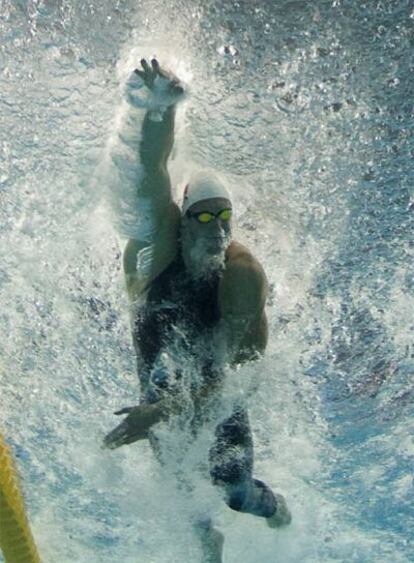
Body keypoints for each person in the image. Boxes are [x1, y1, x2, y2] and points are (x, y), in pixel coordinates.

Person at [104, 58, 291, 562]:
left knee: (234, 492)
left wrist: (161, 413)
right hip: (160, 384)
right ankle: (208, 546)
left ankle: (274, 507)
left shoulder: (242, 278)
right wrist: (157, 109)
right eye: (203, 216)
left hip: (218, 388)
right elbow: (148, 175)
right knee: (184, 492)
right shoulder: (158, 247)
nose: (215, 227)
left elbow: (239, 380)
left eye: (224, 217)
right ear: (184, 221)